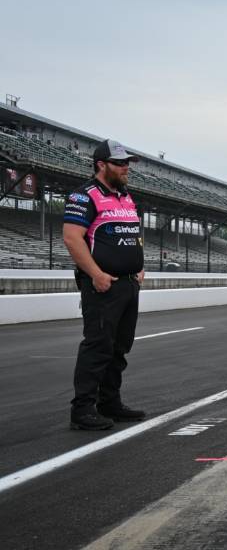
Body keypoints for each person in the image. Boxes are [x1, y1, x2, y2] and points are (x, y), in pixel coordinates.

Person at [62, 139, 145, 431]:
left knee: (119, 348)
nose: (126, 168)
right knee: (98, 347)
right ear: (101, 165)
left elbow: (132, 234)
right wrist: (96, 274)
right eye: (120, 163)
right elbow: (72, 237)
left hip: (128, 285)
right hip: (102, 286)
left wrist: (139, 266)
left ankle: (110, 403)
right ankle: (82, 410)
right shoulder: (84, 196)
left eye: (127, 163)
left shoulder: (126, 197)